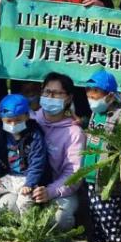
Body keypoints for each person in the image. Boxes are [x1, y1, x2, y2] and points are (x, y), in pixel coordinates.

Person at [81, 70, 121, 242]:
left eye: (95, 98)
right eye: (89, 97)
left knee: (109, 213)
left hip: (106, 176)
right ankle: (99, 241)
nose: (92, 101)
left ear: (110, 96)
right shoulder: (95, 113)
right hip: (90, 174)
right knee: (94, 212)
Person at [0, 94, 48, 221]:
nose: (13, 124)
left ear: (27, 116)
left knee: (24, 201)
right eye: (9, 121)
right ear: (2, 119)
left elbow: (37, 162)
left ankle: (27, 227)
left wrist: (30, 183)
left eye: (18, 120)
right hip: (10, 176)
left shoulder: (34, 136)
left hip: (28, 179)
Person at [31, 73, 86, 231]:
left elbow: (73, 174)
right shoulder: (29, 120)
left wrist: (50, 191)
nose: (50, 96)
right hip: (28, 186)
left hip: (61, 191)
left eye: (56, 93)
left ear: (68, 98)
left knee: (58, 219)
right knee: (4, 208)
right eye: (47, 92)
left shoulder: (75, 133)